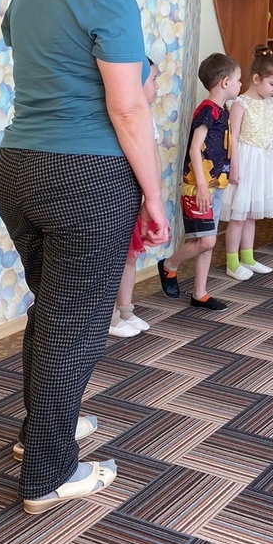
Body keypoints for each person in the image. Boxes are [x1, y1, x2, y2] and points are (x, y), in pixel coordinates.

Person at [0, 0, 168, 514]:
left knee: (54, 311)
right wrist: (154, 196)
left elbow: (51, 65)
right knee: (76, 324)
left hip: (18, 169)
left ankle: (43, 430)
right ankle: (48, 474)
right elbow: (127, 108)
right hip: (85, 177)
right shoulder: (109, 0)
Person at [157, 52, 241, 308]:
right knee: (206, 240)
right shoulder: (207, 111)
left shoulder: (222, 111)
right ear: (225, 82)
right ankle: (169, 265)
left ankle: (199, 293)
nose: (240, 84)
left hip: (215, 185)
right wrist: (202, 187)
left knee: (206, 241)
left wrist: (232, 170)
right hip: (199, 188)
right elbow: (195, 149)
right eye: (238, 80)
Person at [221, 45, 273, 278]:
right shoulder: (240, 103)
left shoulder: (271, 104)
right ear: (256, 79)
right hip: (246, 161)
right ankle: (232, 262)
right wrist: (234, 167)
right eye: (272, 84)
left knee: (252, 215)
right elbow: (233, 137)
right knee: (238, 216)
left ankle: (247, 258)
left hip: (264, 162)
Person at [110, 59, 161, 337]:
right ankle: (110, 316)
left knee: (130, 257)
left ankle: (125, 309)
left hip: (139, 197)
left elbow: (152, 156)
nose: (157, 86)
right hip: (121, 195)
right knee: (112, 259)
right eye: (153, 80)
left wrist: (152, 194)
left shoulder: (147, 117)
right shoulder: (121, 116)